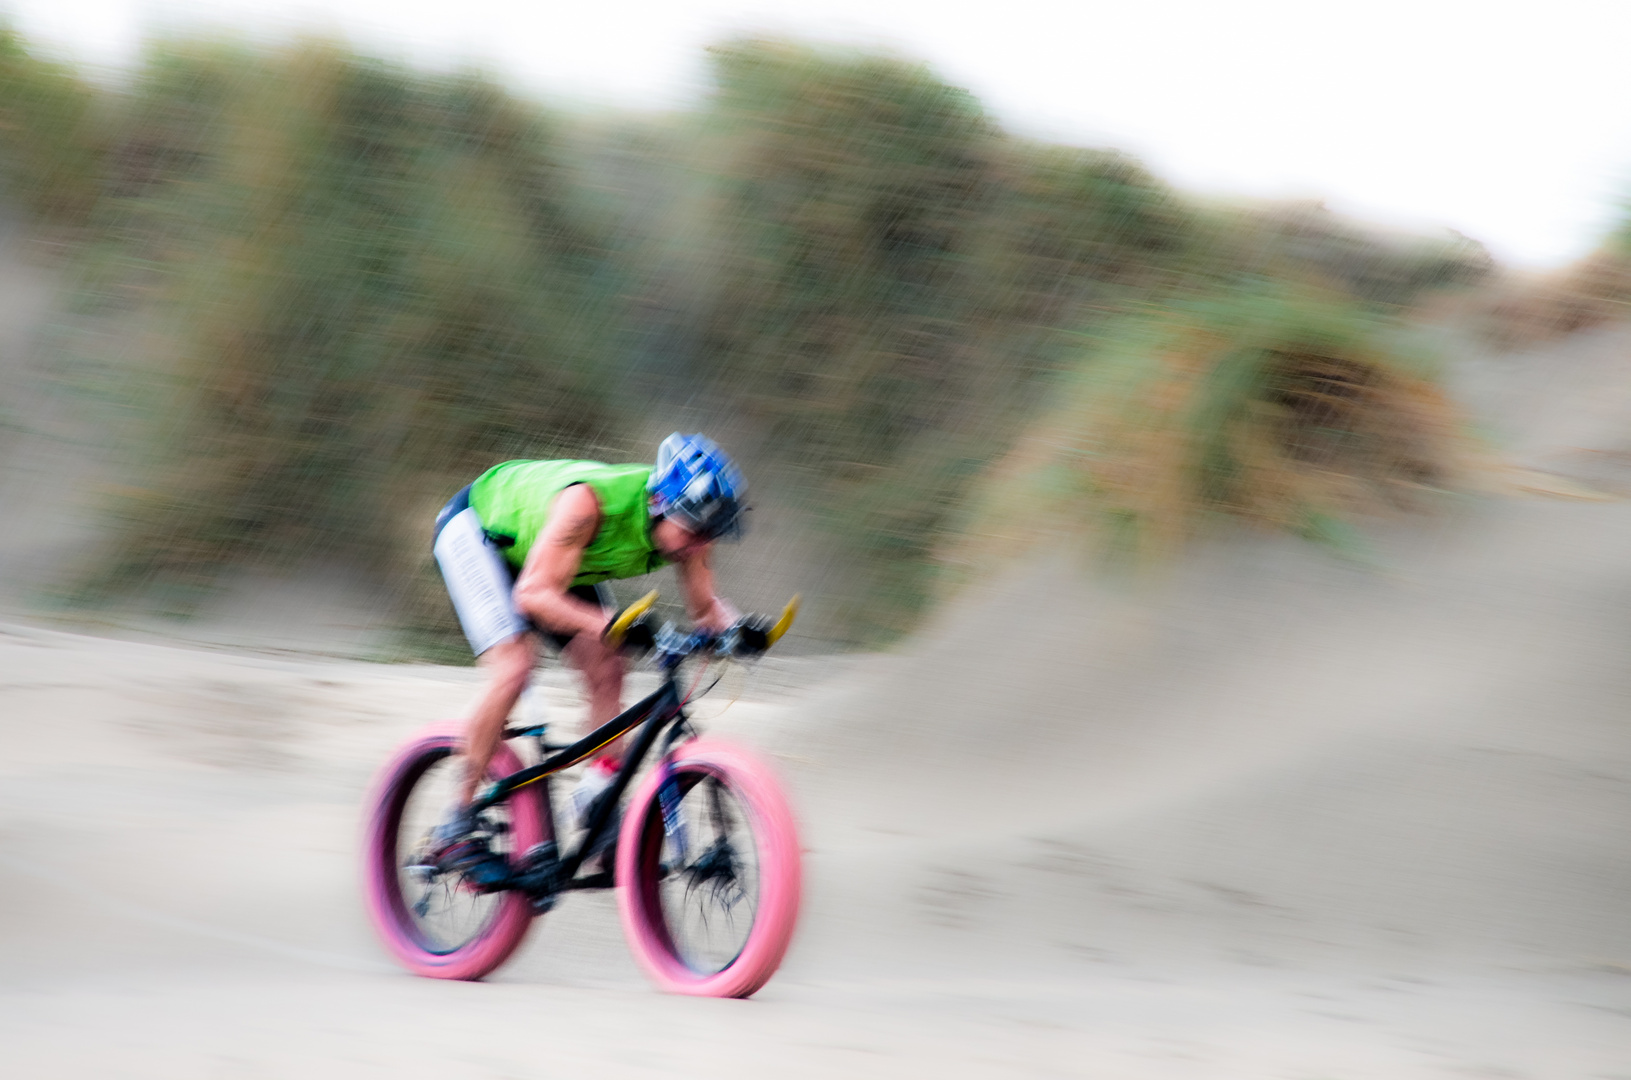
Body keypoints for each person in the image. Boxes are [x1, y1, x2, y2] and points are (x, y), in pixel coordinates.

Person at [427, 432, 748, 873]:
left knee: (610, 665)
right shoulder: (587, 507)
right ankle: (454, 824)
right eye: (696, 531)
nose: (702, 545)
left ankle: (598, 805)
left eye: (711, 533)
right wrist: (609, 625)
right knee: (515, 666)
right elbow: (533, 596)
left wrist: (736, 630)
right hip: (479, 531)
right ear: (660, 504)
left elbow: (706, 610)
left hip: (553, 553)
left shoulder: (689, 531)